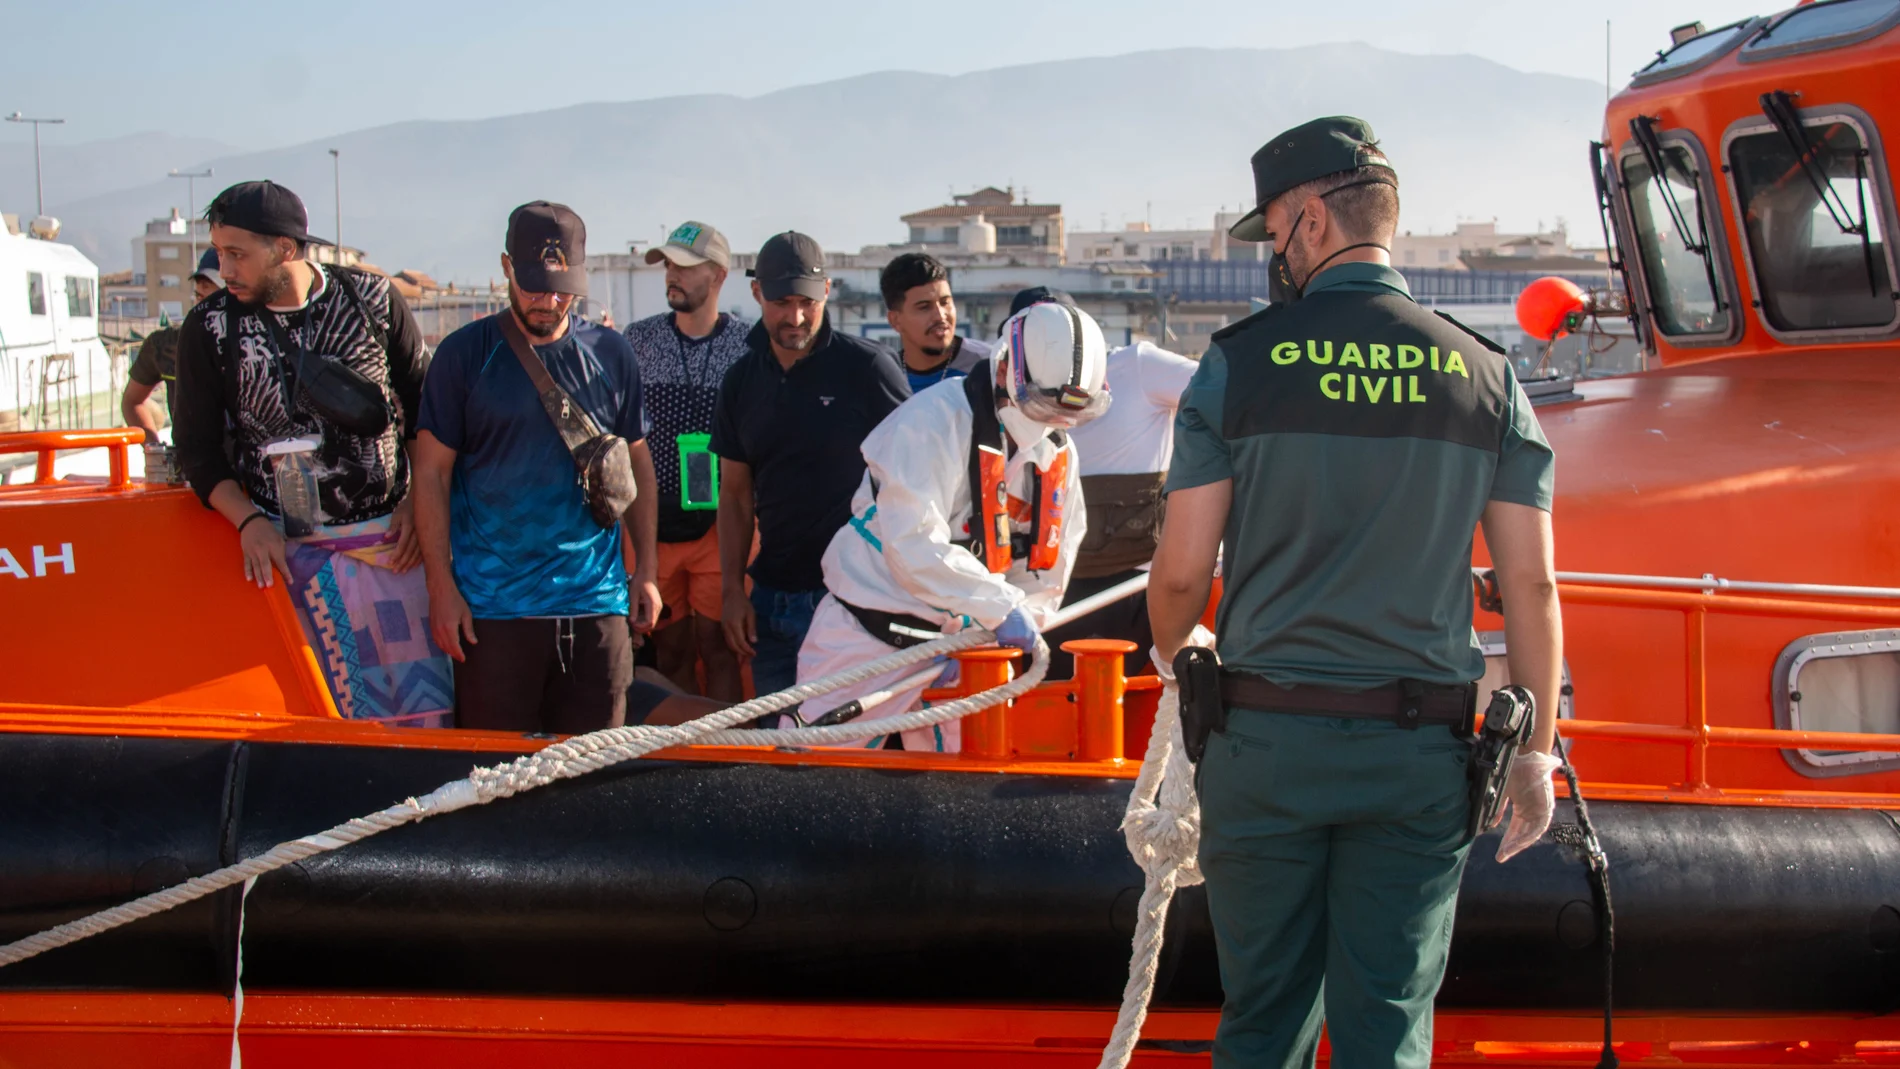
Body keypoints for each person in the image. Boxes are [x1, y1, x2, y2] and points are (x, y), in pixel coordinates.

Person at [1147, 117, 1562, 1068]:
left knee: (1264, 1017)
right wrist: (1536, 751)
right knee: (1386, 1023)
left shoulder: (1240, 364)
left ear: (1309, 220)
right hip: (1419, 758)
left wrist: (1181, 648)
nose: (1273, 257)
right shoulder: (1487, 376)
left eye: (1274, 234)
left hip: (1265, 747)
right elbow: (1532, 584)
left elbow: (1178, 574)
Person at [172, 181, 450, 727]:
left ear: (285, 249)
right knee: (315, 728)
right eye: (219, 252)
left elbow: (427, 412)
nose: (223, 270)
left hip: (394, 551)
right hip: (282, 562)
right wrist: (247, 520)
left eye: (237, 254)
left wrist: (419, 502)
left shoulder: (370, 300)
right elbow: (197, 451)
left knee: (422, 723)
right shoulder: (209, 328)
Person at [794, 301, 1109, 751]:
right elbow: (914, 546)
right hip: (866, 639)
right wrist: (998, 608)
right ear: (1004, 372)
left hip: (968, 653)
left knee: (964, 787)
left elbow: (1048, 566)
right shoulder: (930, 422)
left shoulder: (1058, 453)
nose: (1056, 423)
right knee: (817, 769)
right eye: (1043, 404)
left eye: (1074, 413)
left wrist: (1002, 632)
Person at [412, 201, 662, 736]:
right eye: (533, 286)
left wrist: (647, 570)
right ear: (506, 268)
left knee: (592, 784)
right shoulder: (462, 356)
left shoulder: (612, 353)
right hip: (494, 615)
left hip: (597, 608)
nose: (549, 302)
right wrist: (440, 585)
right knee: (492, 784)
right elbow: (430, 473)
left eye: (562, 288)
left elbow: (637, 463)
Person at [711, 232, 909, 695]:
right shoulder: (740, 381)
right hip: (770, 603)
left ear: (827, 291)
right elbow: (735, 496)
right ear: (757, 292)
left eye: (807, 301)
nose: (795, 317)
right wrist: (732, 592)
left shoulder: (868, 369)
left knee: (843, 758)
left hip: (852, 603)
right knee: (778, 752)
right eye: (782, 301)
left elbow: (916, 480)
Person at [1006, 287, 1197, 678]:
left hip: (1136, 592)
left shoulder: (1138, 366)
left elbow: (1228, 394)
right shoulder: (997, 402)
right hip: (1043, 596)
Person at [624, 221, 750, 702]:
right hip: (651, 527)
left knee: (721, 649)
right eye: (669, 265)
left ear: (718, 275)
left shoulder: (747, 345)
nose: (671, 275)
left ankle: (725, 755)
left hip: (723, 525)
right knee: (668, 648)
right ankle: (675, 759)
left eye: (685, 266)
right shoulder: (638, 340)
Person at [123, 250, 223, 443]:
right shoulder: (166, 343)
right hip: (188, 467)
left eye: (213, 298)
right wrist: (153, 449)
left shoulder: (254, 343)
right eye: (199, 296)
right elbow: (132, 401)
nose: (201, 306)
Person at [879, 252, 991, 393]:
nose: (940, 316)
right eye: (924, 307)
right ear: (895, 320)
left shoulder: (991, 366)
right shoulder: (885, 381)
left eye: (945, 303)